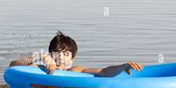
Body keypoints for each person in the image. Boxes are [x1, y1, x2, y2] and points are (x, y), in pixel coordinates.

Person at [9, 31, 143, 76]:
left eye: (66, 54)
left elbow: (103, 72)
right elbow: (13, 66)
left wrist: (122, 66)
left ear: (72, 58)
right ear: (51, 54)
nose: (61, 57)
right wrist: (42, 56)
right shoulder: (42, 69)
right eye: (57, 53)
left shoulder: (75, 70)